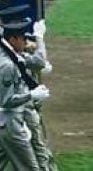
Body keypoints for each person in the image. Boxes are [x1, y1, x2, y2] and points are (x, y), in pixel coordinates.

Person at [0, 19, 50, 171]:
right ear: (12, 40)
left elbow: (35, 62)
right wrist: (31, 95)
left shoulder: (14, 56)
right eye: (22, 39)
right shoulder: (7, 65)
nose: (25, 42)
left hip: (10, 123)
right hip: (11, 124)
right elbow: (6, 101)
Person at [22, 20, 58, 171]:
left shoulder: (10, 49)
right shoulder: (11, 55)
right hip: (23, 108)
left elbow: (38, 61)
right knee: (38, 147)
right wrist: (39, 37)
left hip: (26, 107)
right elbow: (39, 61)